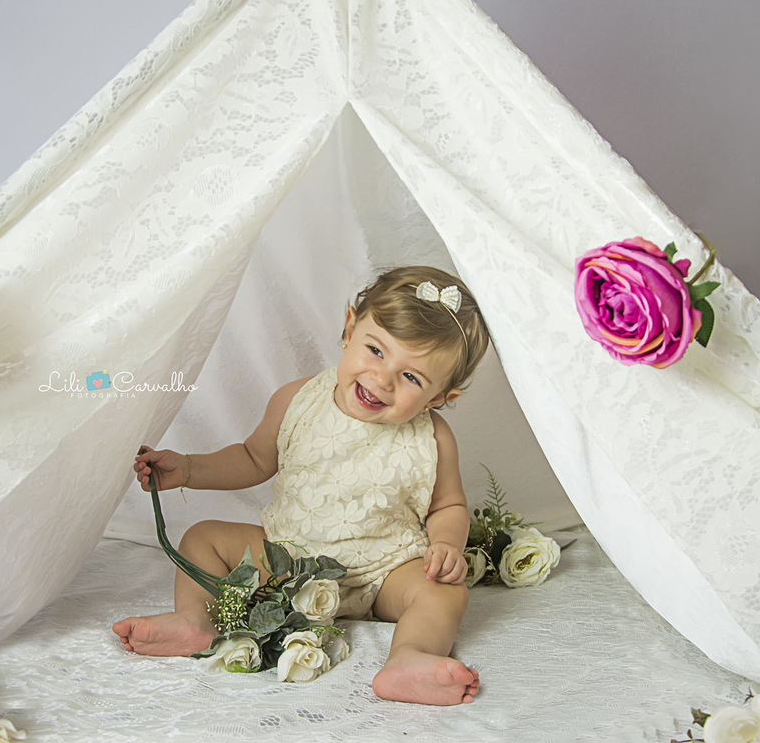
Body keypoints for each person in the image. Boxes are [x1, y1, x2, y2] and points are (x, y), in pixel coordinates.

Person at [113, 265, 492, 706]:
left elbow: (447, 506)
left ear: (439, 397)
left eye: (411, 377)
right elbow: (253, 459)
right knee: (202, 538)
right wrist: (190, 470)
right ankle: (196, 621)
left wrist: (446, 544)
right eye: (375, 350)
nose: (382, 378)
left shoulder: (433, 437)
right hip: (287, 560)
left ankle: (409, 657)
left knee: (444, 592)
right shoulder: (298, 399)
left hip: (385, 572)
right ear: (349, 328)